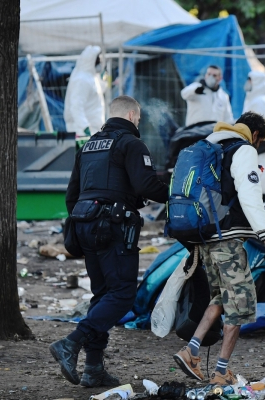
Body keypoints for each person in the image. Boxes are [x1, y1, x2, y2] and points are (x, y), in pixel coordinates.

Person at [50, 95, 169, 388]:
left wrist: (84, 221)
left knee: (102, 295)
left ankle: (93, 369)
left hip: (84, 225)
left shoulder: (89, 145)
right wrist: (176, 193)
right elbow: (146, 185)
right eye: (138, 119)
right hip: (114, 227)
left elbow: (71, 193)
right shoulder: (131, 144)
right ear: (131, 114)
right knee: (122, 294)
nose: (138, 123)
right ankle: (71, 342)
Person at [172, 111, 265, 385]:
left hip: (206, 238)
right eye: (259, 142)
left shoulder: (212, 146)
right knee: (239, 304)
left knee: (220, 299)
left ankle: (191, 351)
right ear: (255, 135)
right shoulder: (242, 149)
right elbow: (249, 193)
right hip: (227, 240)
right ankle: (221, 372)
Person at [64, 45, 106, 136]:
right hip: (82, 131)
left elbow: (95, 95)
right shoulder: (81, 80)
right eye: (98, 61)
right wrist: (84, 127)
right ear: (91, 61)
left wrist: (103, 80)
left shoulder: (91, 76)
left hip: (93, 129)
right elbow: (76, 106)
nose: (100, 63)